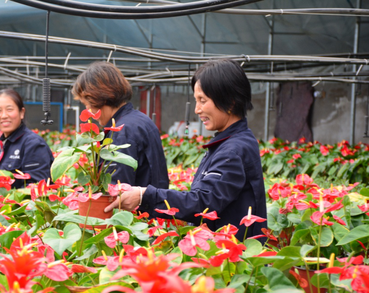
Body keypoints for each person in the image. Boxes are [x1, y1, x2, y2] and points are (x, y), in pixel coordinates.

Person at [105, 59, 267, 240]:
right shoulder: (229, 142)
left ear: (229, 102)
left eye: (202, 100)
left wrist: (145, 195)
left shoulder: (233, 150)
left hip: (231, 259)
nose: (197, 109)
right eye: (196, 101)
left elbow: (204, 202)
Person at [73, 61, 169, 189]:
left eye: (87, 104)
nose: (88, 111)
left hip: (136, 208)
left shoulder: (122, 131)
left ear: (98, 97)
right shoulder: (141, 120)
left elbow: (116, 191)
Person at [0, 89, 53, 189]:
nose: (4, 116)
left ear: (22, 113)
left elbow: (37, 188)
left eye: (9, 109)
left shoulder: (33, 144)